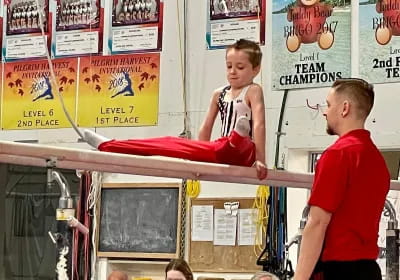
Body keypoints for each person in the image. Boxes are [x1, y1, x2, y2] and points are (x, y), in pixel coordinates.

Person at [283, 78, 390, 280]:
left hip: (336, 273)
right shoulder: (376, 159)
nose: (324, 111)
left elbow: (317, 223)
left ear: (344, 108)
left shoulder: (338, 155)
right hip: (368, 273)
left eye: (328, 105)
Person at [82, 38, 268, 180]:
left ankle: (239, 136)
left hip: (246, 154)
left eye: (240, 67)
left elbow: (259, 125)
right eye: (229, 66)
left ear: (256, 69)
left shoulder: (253, 90)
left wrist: (261, 160)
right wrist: (199, 155)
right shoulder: (219, 93)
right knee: (168, 142)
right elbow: (206, 127)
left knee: (241, 143)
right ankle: (108, 146)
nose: (232, 72)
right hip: (221, 149)